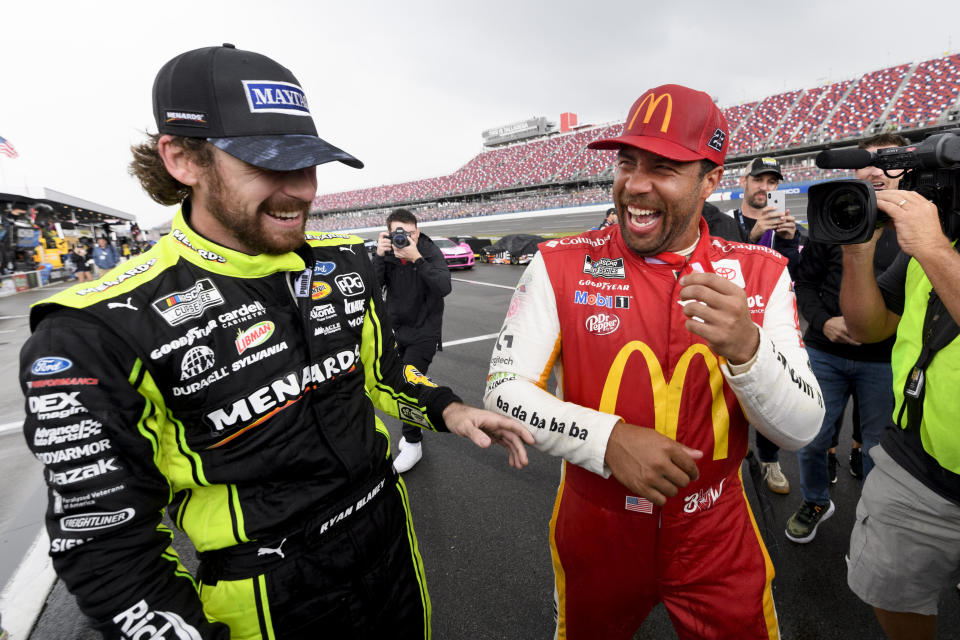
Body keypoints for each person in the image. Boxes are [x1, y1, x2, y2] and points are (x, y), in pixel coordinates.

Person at [19, 43, 533, 640]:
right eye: (270, 163)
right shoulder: (94, 330)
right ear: (184, 159)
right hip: (267, 592)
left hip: (389, 540)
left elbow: (385, 377)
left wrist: (449, 408)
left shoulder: (344, 267)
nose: (303, 191)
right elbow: (106, 550)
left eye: (309, 164)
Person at [484, 83, 823, 639]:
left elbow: (802, 429)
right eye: (626, 162)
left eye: (663, 167)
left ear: (711, 179)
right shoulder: (557, 262)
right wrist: (607, 440)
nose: (635, 186)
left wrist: (747, 349)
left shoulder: (762, 270)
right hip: (595, 524)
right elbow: (503, 390)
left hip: (717, 529)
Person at [841, 154, 960, 640]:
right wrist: (857, 249)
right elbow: (867, 327)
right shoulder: (934, 245)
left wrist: (932, 248)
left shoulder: (933, 247)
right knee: (893, 594)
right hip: (915, 465)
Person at [785, 133, 907, 544]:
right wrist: (824, 323)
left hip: (887, 359)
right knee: (812, 437)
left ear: (906, 169)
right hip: (826, 352)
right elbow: (805, 284)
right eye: (864, 162)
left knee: (878, 448)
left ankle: (870, 516)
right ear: (853, 171)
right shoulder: (834, 217)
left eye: (885, 161)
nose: (873, 170)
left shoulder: (919, 225)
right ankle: (816, 500)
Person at [732, 156, 803, 495]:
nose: (765, 187)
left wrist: (789, 241)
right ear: (744, 182)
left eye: (772, 182)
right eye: (759, 179)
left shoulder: (788, 222)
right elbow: (719, 264)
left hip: (771, 325)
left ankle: (769, 458)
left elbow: (797, 274)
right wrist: (753, 235)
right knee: (728, 393)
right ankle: (731, 451)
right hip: (732, 320)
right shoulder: (727, 222)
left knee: (768, 391)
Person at [372, 208, 451, 472]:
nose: (404, 238)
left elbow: (444, 287)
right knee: (396, 380)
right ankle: (412, 434)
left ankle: (414, 443)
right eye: (398, 233)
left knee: (409, 383)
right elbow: (371, 288)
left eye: (410, 233)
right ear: (389, 233)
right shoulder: (387, 253)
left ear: (417, 231)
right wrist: (379, 256)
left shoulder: (427, 250)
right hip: (396, 330)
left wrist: (416, 258)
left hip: (424, 332)